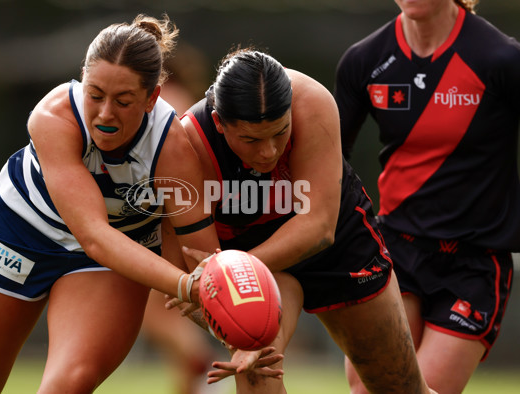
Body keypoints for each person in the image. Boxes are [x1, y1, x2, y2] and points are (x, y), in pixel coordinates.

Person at [0, 14, 221, 394]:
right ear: (81, 82)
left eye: (123, 101)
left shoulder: (173, 147)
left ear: (152, 98)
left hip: (112, 254)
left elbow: (204, 260)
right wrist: (188, 286)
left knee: (68, 385)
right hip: (24, 231)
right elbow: (94, 235)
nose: (104, 114)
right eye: (95, 95)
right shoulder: (53, 116)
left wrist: (246, 333)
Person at [176, 48, 436, 394]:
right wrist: (214, 295)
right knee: (254, 368)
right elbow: (192, 265)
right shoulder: (188, 144)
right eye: (252, 139)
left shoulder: (311, 101)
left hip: (335, 245)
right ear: (220, 124)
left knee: (400, 388)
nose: (268, 151)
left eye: (280, 133)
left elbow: (318, 227)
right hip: (258, 258)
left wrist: (231, 275)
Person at [334, 1, 520, 393]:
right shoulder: (365, 60)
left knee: (420, 387)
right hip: (396, 250)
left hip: (474, 263)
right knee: (367, 385)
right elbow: (330, 163)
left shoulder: (502, 59)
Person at [140, 42, 221, 394]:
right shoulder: (188, 99)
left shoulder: (159, 101)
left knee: (157, 315)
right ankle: (197, 375)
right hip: (191, 218)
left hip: (161, 223)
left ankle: (201, 362)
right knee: (171, 312)